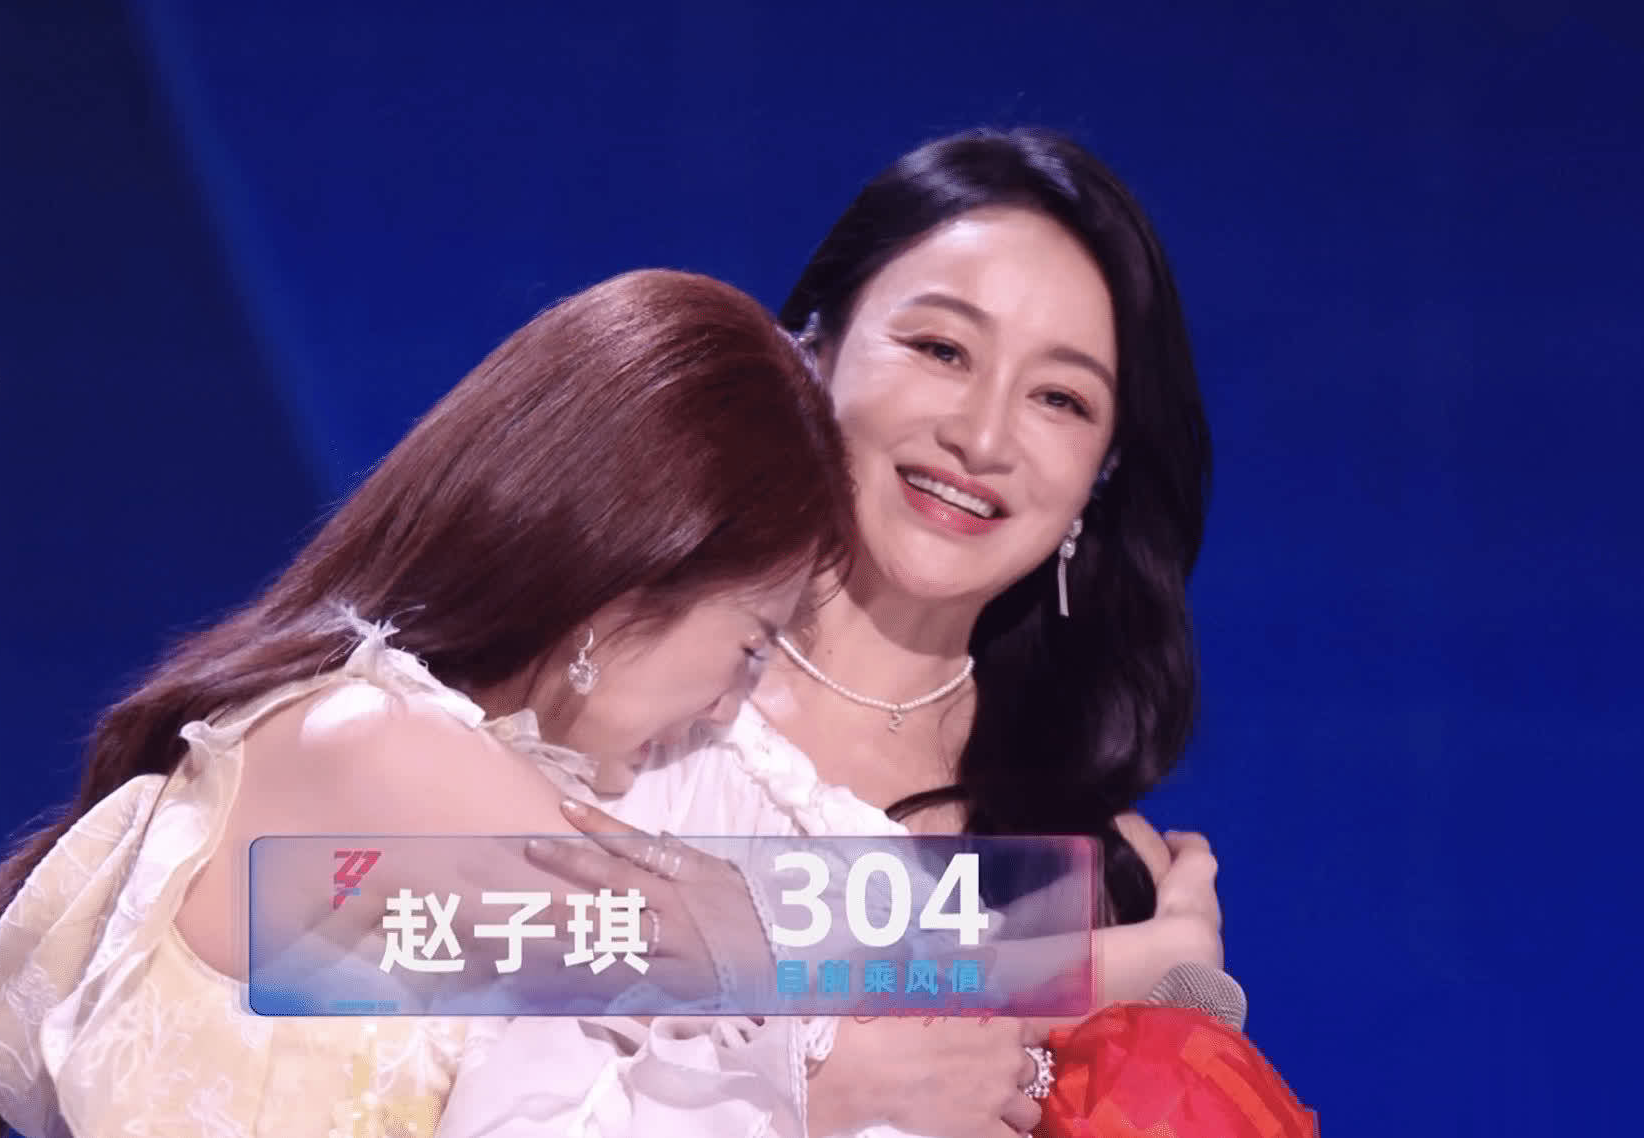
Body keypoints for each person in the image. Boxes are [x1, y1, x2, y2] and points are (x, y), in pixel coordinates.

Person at [0, 269, 856, 1138]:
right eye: (751, 646)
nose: (729, 709)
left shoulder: (365, 732)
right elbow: (801, 996)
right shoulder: (391, 753)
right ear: (634, 578)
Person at [436, 126, 1226, 1138]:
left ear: (1100, 477)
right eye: (941, 349)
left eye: (1059, 400)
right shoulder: (615, 680)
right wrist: (1072, 976)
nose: (981, 437)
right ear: (812, 348)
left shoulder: (1095, 872)